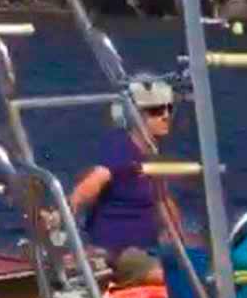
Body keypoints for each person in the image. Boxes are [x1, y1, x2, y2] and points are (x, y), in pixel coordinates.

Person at [65, 78, 183, 256]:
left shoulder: (152, 152)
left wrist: (179, 239)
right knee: (168, 276)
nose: (166, 115)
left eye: (169, 108)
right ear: (134, 116)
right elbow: (92, 183)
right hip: (117, 253)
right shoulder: (120, 148)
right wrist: (64, 217)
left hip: (147, 250)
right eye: (156, 110)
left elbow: (162, 199)